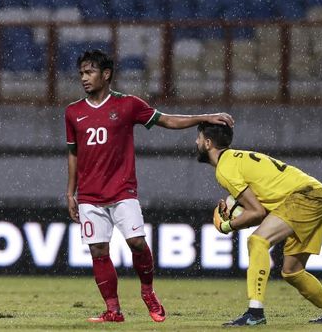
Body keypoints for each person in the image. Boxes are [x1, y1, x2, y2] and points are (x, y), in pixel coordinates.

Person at [65, 50, 234, 323]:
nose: (84, 78)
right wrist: (69, 192)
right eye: (82, 73)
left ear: (106, 74)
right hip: (89, 194)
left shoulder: (128, 105)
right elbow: (74, 153)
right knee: (98, 250)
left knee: (137, 243)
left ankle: (147, 291)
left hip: (122, 190)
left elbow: (166, 119)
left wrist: (205, 116)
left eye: (90, 72)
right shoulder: (73, 112)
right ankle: (113, 310)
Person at [195, 122, 322, 326]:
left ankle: (255, 313)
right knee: (292, 272)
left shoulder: (224, 169)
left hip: (305, 196)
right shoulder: (237, 159)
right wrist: (237, 213)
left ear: (207, 143)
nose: (195, 142)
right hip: (316, 194)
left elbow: (257, 213)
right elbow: (262, 209)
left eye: (198, 138)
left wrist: (226, 226)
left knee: (257, 241)